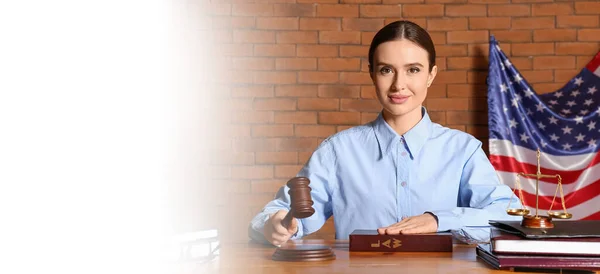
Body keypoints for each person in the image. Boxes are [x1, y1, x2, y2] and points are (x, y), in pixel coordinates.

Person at [248, 20, 522, 246]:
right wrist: (275, 224)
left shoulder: (463, 150)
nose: (398, 85)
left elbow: (508, 219)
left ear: (431, 75)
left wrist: (440, 220)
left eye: (413, 70)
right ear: (372, 74)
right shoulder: (337, 151)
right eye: (386, 70)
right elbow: (276, 213)